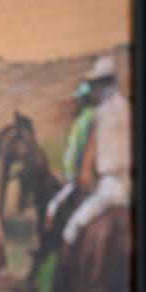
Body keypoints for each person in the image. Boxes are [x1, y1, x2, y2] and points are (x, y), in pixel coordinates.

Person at [46, 56, 131, 292]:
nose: (92, 91)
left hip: (108, 188)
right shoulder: (129, 108)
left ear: (102, 84)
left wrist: (86, 177)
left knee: (70, 232)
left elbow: (86, 165)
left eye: (94, 85)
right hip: (129, 188)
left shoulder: (99, 114)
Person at [43, 81, 96, 230]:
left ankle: (50, 236)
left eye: (79, 99)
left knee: (52, 206)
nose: (77, 103)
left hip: (79, 172)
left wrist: (69, 173)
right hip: (97, 171)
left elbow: (72, 151)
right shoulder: (96, 115)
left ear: (83, 100)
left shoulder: (79, 122)